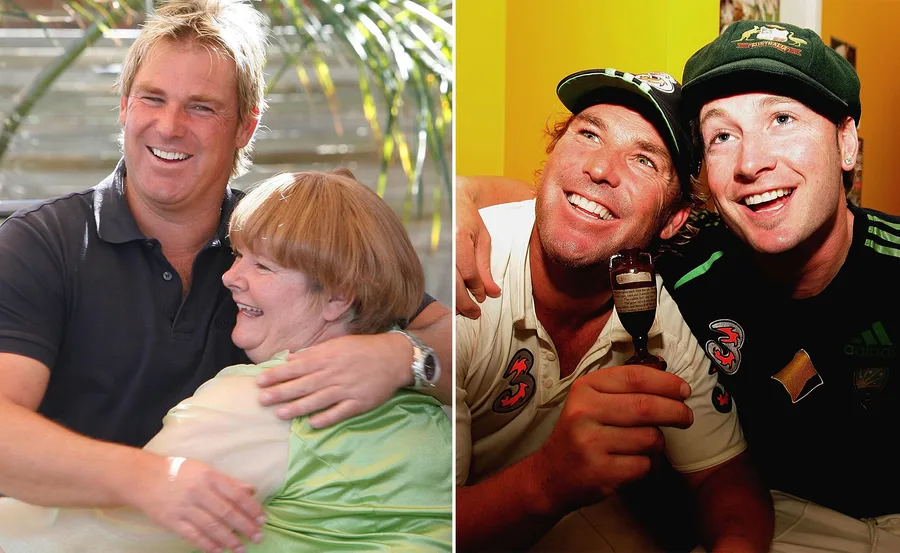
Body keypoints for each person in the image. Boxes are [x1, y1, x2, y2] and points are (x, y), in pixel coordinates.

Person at [0, 1, 450, 552]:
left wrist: (400, 356)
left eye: (202, 107)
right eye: (152, 98)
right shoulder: (39, 245)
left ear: (247, 124)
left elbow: (460, 346)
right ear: (123, 106)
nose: (170, 126)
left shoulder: (281, 238)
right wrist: (146, 480)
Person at [458, 20, 900, 553]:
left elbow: (724, 482)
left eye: (782, 118)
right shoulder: (676, 270)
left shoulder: (665, 285)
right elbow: (573, 210)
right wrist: (457, 191)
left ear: (847, 142)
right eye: (721, 136)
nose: (751, 162)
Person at [0, 169, 453, 553]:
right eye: (238, 256)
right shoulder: (447, 402)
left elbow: (80, 536)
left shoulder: (263, 400)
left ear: (337, 297)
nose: (230, 277)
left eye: (263, 267)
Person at [455, 68, 774, 553]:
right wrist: (547, 482)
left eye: (644, 161)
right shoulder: (460, 275)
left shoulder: (653, 304)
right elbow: (402, 528)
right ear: (550, 157)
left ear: (672, 220)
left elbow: (723, 474)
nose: (601, 169)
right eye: (587, 134)